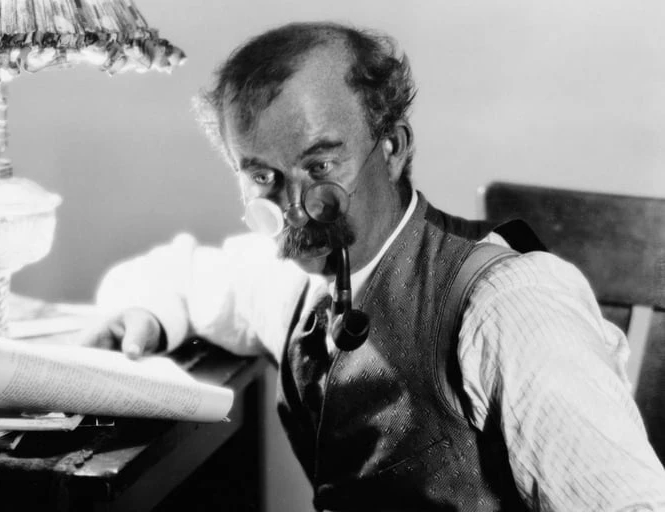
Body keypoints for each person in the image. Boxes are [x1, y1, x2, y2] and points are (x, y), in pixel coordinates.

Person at [85, 22, 665, 511]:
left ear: (392, 147)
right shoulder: (292, 285)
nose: (294, 209)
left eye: (320, 166)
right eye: (263, 176)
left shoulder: (508, 308)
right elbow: (180, 277)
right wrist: (148, 315)